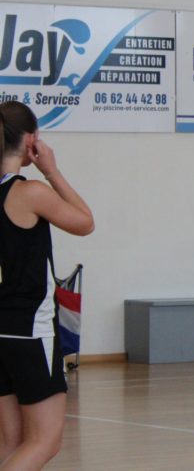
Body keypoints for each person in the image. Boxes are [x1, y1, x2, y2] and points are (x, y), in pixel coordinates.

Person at [0, 101, 93, 469]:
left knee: (11, 443)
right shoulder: (30, 192)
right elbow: (85, 222)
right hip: (30, 331)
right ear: (30, 141)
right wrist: (51, 170)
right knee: (44, 441)